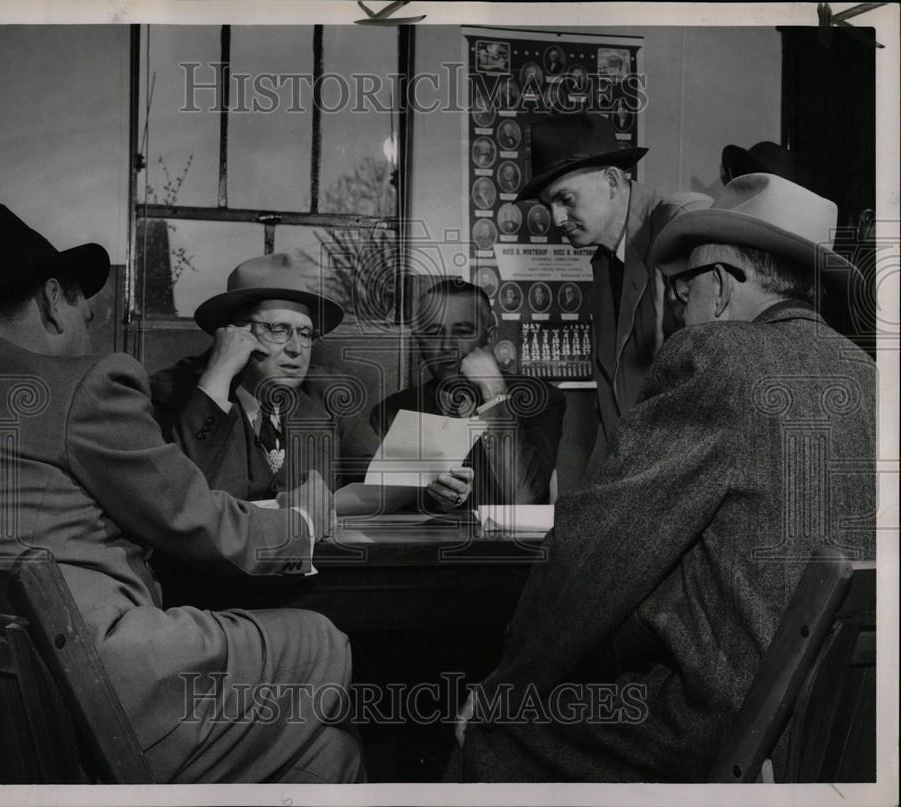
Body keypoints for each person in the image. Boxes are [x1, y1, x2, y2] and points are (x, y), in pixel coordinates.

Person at [448, 174, 875, 781]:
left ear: (721, 288)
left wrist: (507, 682)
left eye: (682, 289)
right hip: (852, 731)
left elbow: (595, 553)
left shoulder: (717, 356)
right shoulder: (872, 376)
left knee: (492, 737)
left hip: (733, 730)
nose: (679, 309)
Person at [0, 204, 364, 783]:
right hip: (94, 692)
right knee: (324, 641)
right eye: (276, 330)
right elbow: (190, 510)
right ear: (53, 299)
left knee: (328, 756)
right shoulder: (100, 385)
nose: (86, 323)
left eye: (304, 333)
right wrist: (303, 522)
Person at [517, 112, 712, 488]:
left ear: (611, 181)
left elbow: (710, 382)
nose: (555, 218)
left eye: (565, 198)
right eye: (547, 205)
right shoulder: (605, 262)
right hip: (643, 481)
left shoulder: (681, 224)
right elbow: (613, 416)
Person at [150, 253, 380, 502]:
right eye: (278, 329)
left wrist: (318, 508)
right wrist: (218, 375)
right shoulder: (172, 393)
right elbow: (174, 493)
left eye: (305, 333)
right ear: (237, 334)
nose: (295, 348)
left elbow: (388, 480)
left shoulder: (328, 395)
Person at [371, 279, 565, 506]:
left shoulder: (539, 398)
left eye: (462, 331)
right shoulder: (393, 412)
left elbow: (524, 496)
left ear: (490, 337)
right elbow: (387, 504)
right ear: (419, 342)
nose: (447, 346)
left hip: (511, 541)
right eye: (434, 333)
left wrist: (493, 393)